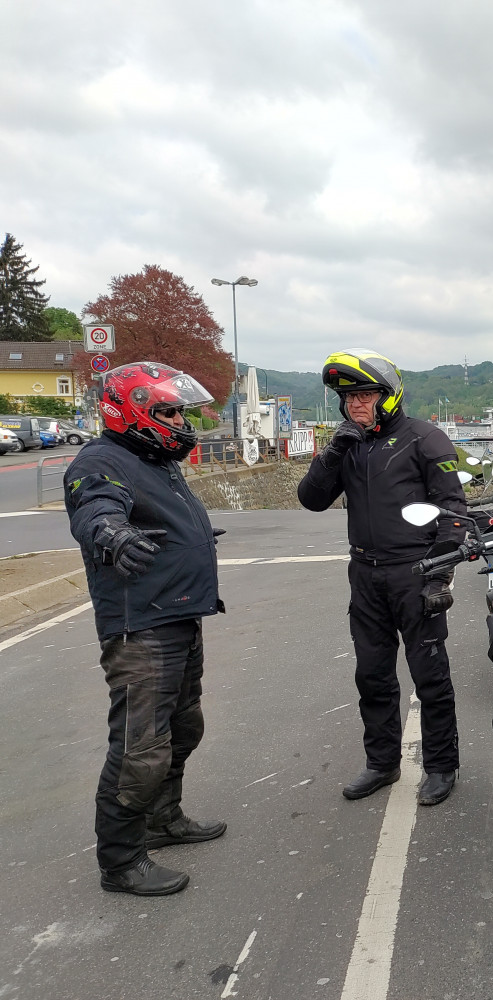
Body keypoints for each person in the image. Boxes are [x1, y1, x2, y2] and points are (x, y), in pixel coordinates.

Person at [64, 361, 226, 897]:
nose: (180, 421)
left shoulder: (154, 459)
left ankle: (162, 817)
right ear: (132, 413)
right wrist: (112, 534)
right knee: (140, 748)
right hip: (142, 628)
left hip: (177, 614)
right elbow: (94, 508)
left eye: (179, 412)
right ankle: (120, 860)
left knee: (183, 727)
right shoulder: (101, 460)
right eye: (168, 412)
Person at [297, 349, 468, 806]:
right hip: (365, 574)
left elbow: (453, 511)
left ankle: (441, 766)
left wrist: (440, 575)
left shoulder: (425, 438)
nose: (355, 403)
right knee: (372, 676)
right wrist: (334, 451)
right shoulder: (349, 444)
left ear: (388, 395)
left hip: (415, 571)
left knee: (429, 675)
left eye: (365, 394)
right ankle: (382, 762)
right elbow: (311, 499)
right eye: (348, 396)